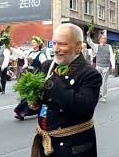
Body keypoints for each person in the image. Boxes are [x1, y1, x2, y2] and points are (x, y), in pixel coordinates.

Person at [30, 23, 102, 157]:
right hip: (46, 145)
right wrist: (32, 100)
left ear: (78, 46)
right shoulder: (47, 66)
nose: (56, 49)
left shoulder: (90, 74)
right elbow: (40, 104)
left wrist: (52, 83)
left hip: (73, 148)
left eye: (62, 44)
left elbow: (83, 108)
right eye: (54, 43)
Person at [14, 36, 47, 120]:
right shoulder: (30, 53)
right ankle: (24, 111)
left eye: (34, 43)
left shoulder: (41, 54)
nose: (32, 44)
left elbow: (45, 65)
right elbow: (24, 60)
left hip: (37, 76)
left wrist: (42, 76)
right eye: (31, 43)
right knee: (27, 94)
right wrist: (25, 67)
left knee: (32, 96)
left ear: (38, 44)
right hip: (29, 75)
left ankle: (22, 112)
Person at [87, 30, 115, 103]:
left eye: (105, 38)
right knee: (97, 81)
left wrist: (113, 66)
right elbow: (89, 42)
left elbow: (112, 56)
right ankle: (98, 94)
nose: (105, 39)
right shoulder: (96, 46)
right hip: (98, 66)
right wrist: (88, 35)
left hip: (106, 66)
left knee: (105, 82)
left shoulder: (109, 46)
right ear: (100, 39)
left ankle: (104, 96)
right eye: (103, 38)